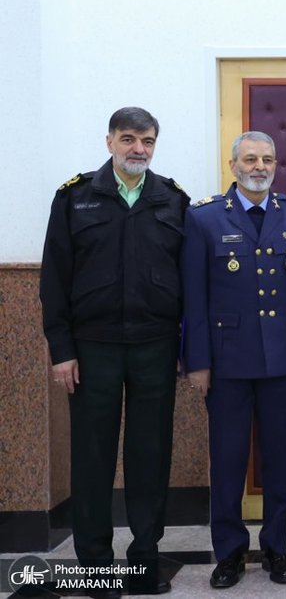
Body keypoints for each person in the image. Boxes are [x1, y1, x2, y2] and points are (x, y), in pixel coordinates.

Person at [40, 107, 187, 597]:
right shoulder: (75, 197)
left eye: (147, 141)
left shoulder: (173, 199)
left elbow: (189, 281)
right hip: (92, 349)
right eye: (128, 139)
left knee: (150, 456)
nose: (138, 149)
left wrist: (187, 349)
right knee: (92, 459)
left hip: (155, 346)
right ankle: (96, 567)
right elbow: (53, 279)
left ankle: (144, 559)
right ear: (109, 142)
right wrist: (62, 350)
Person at [181, 131, 286, 588]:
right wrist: (197, 362)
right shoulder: (203, 217)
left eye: (267, 159)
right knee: (227, 461)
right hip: (227, 365)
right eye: (250, 159)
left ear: (276, 164)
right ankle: (229, 552)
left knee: (279, 460)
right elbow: (194, 298)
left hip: (282, 360)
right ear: (233, 165)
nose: (259, 167)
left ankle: (276, 548)